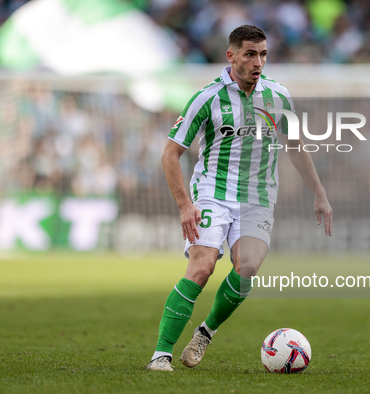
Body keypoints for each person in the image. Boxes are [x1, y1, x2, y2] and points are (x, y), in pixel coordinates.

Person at [147, 25, 332, 372]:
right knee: (201, 268)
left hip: (258, 198)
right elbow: (170, 154)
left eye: (263, 54)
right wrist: (185, 205)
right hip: (212, 194)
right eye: (250, 54)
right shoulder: (208, 97)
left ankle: (206, 331)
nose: (258, 61)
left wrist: (320, 194)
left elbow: (294, 146)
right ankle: (161, 353)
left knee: (246, 268)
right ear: (231, 56)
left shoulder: (278, 96)